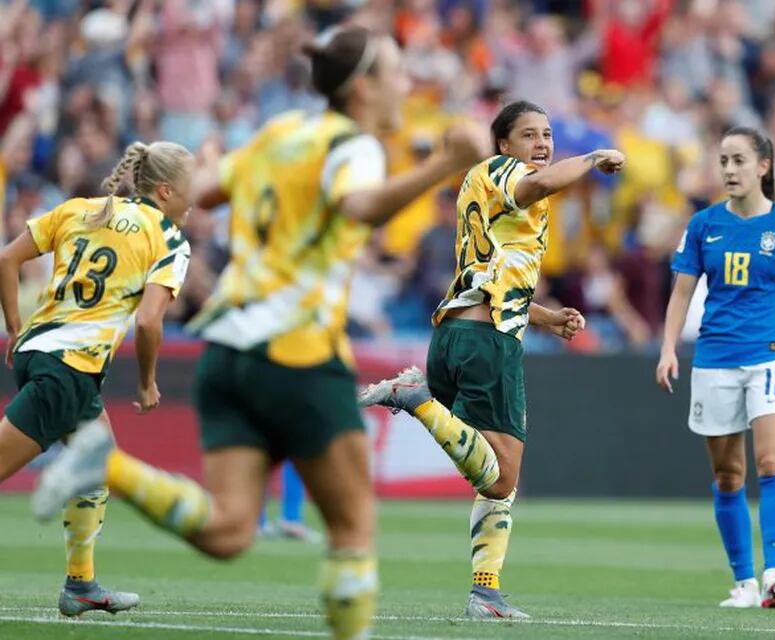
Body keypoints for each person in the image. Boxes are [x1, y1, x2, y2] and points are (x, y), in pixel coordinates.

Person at [33, 25, 488, 640]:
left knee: (228, 531)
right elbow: (359, 207)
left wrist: (239, 167)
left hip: (227, 350)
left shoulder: (280, 132)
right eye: (396, 70)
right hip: (295, 349)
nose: (407, 83)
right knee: (353, 526)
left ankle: (103, 466)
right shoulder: (352, 145)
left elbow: (209, 192)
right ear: (363, 88)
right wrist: (445, 165)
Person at [359, 100, 624, 619]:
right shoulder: (506, 173)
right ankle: (418, 399)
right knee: (501, 479)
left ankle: (486, 590)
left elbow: (495, 272)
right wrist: (592, 157)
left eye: (547, 134)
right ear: (503, 144)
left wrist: (548, 319)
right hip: (487, 343)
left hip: (459, 332)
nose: (542, 144)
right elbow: (541, 185)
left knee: (499, 480)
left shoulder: (486, 188)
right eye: (529, 135)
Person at [0, 140, 194, 615]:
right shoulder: (168, 237)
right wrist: (148, 382)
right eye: (192, 185)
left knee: (97, 466)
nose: (198, 194)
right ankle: (79, 584)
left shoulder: (85, 208)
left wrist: (13, 329)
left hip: (40, 353)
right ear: (166, 191)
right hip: (71, 366)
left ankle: (80, 585)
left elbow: (5, 258)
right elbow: (149, 321)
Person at [657, 126, 775, 609]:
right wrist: (669, 347)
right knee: (729, 475)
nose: (730, 170)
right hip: (715, 357)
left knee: (773, 460)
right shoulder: (703, 225)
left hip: (772, 353)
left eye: (739, 160)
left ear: (764, 166)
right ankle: (744, 582)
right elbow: (682, 292)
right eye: (725, 161)